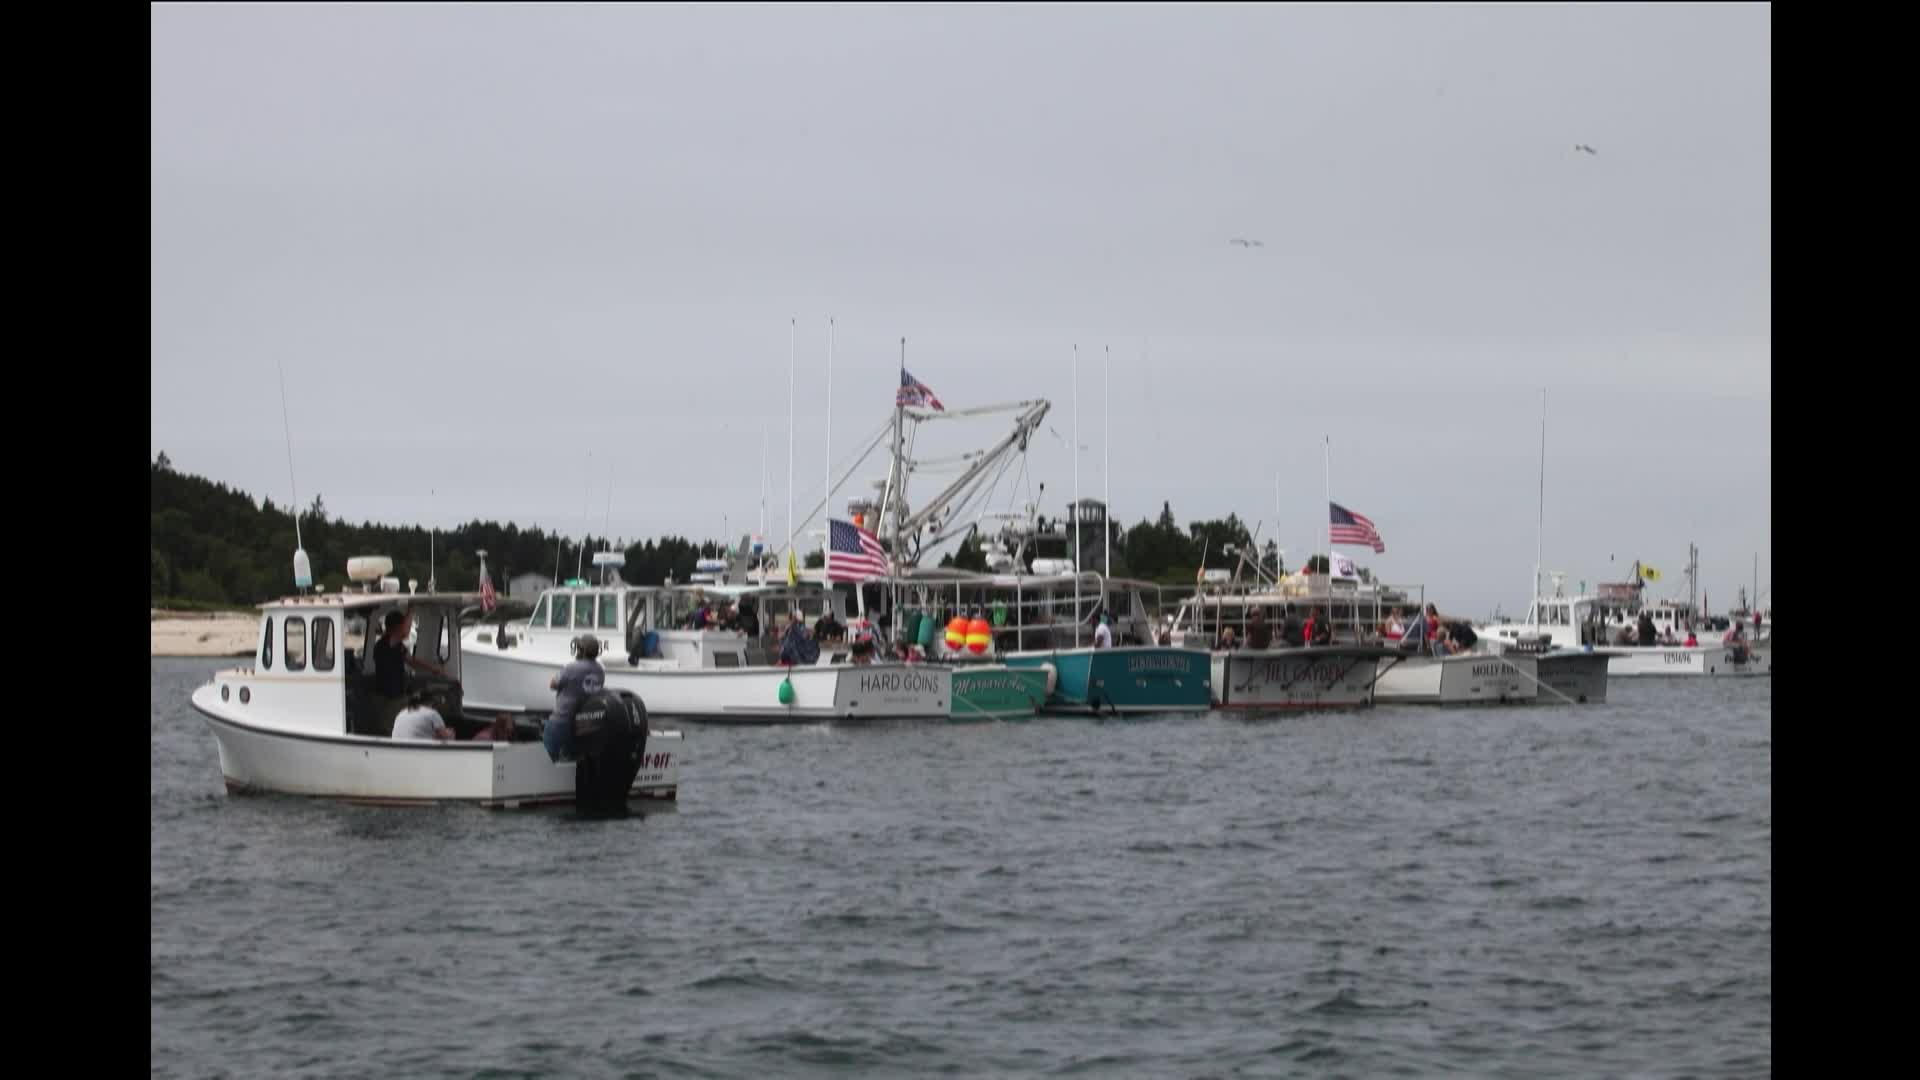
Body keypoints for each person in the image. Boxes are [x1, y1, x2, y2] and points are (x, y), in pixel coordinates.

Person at [370, 611, 447, 737]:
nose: (407, 628)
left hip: (397, 696)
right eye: (403, 625)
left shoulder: (396, 645)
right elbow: (404, 633)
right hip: (388, 698)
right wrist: (411, 608)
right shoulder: (385, 644)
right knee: (391, 731)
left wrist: (433, 669)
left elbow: (411, 661)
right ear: (396, 627)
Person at [545, 635, 606, 762]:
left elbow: (552, 684)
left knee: (547, 756)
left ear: (581, 650)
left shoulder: (572, 667)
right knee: (574, 760)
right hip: (584, 723)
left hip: (562, 720)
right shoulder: (600, 670)